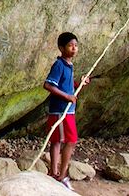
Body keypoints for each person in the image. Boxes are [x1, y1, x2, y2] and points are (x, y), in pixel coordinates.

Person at [43, 31, 89, 190]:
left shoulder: (69, 65)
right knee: (71, 141)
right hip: (61, 111)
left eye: (76, 46)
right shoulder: (59, 65)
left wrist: (79, 85)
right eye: (70, 46)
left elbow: (66, 86)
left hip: (65, 110)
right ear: (61, 48)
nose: (74, 48)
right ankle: (61, 175)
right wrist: (67, 97)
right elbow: (48, 85)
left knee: (56, 141)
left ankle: (53, 173)